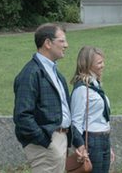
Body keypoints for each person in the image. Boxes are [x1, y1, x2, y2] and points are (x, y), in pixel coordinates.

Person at [13, 23, 86, 172]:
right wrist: (45, 141)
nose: (66, 45)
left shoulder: (55, 73)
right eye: (62, 41)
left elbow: (65, 111)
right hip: (47, 143)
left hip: (59, 141)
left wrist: (77, 141)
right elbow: (22, 116)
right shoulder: (31, 73)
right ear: (47, 43)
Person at [71, 46, 115, 173]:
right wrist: (80, 146)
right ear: (88, 64)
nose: (103, 65)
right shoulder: (81, 89)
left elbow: (102, 119)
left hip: (104, 139)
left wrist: (108, 145)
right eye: (99, 63)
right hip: (92, 141)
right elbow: (76, 121)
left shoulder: (96, 85)